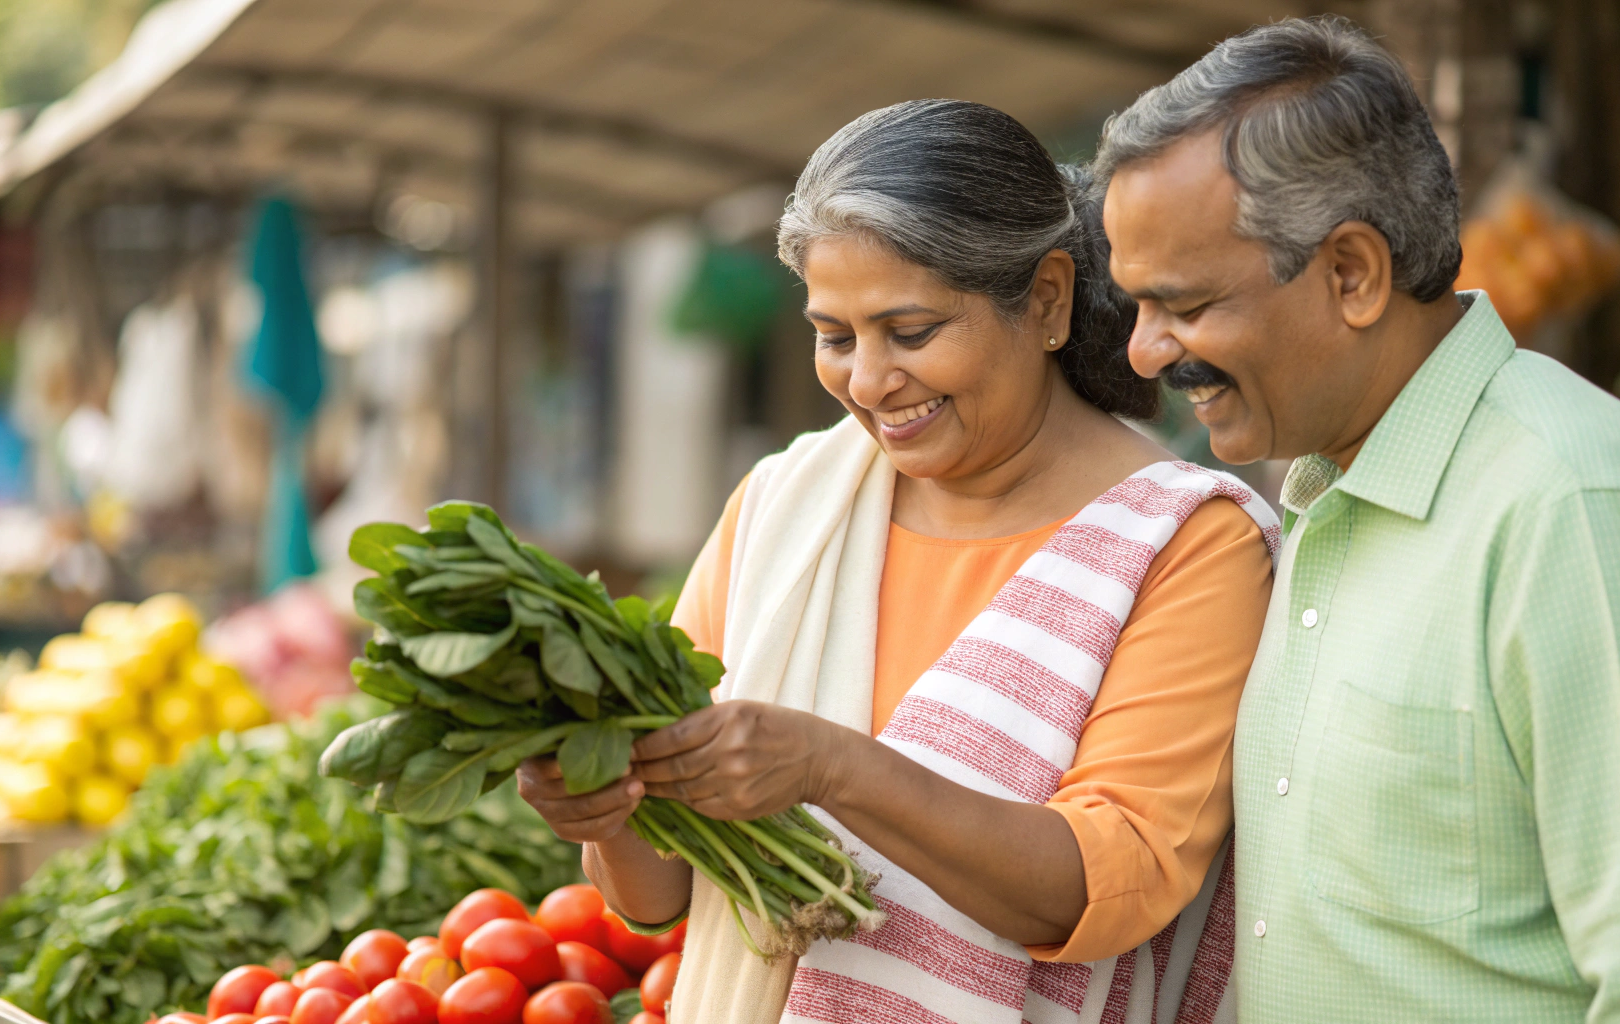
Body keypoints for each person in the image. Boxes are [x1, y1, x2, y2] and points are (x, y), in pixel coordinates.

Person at [1093, 15, 1620, 1023]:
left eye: (1180, 304)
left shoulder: (1572, 509)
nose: (1142, 351)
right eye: (1134, 306)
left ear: (1351, 273)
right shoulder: (1320, 496)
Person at [517, 99, 1278, 1023]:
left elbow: (1104, 888)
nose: (869, 383)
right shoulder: (784, 510)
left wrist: (833, 769)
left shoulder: (1189, 544)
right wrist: (608, 807)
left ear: (1045, 299)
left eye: (910, 332)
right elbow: (662, 894)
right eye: (835, 337)